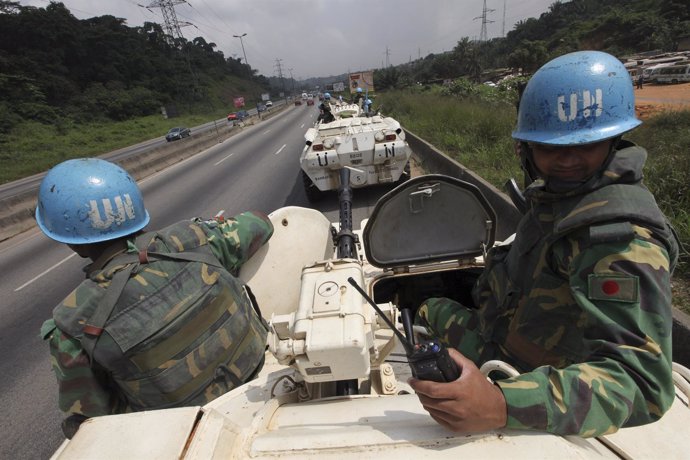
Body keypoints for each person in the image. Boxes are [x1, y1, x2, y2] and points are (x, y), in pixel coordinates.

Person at [410, 50, 680, 437]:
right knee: (426, 307)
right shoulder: (561, 200)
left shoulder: (619, 239)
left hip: (536, 381)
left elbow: (642, 385)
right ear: (528, 150)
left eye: (585, 144)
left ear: (613, 140)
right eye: (551, 147)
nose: (567, 160)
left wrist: (501, 404)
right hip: (502, 340)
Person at [37, 158, 274, 438]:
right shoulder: (192, 238)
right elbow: (261, 222)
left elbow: (95, 421)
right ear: (136, 209)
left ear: (71, 241)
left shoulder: (72, 322)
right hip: (262, 382)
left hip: (184, 433)